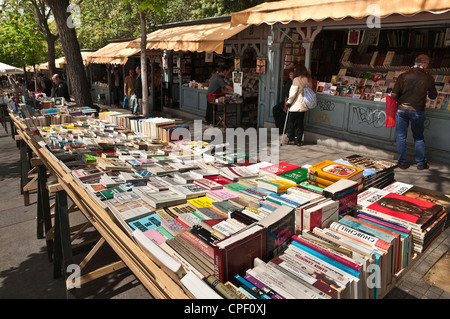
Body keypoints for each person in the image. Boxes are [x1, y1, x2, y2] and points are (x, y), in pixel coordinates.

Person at [391, 54, 437, 170]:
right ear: (425, 63)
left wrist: (402, 99)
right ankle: (421, 163)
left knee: (401, 137)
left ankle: (402, 162)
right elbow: (433, 96)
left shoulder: (403, 76)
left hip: (402, 110)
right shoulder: (428, 78)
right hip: (418, 111)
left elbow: (394, 95)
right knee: (418, 137)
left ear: (416, 62)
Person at [284, 63, 312, 146]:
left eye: (295, 70)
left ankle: (291, 139)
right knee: (300, 123)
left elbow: (293, 93)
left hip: (296, 104)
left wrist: (288, 102)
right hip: (303, 105)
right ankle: (299, 140)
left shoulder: (296, 80)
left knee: (291, 122)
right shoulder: (307, 79)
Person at [273, 68, 294, 134]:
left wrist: (285, 106)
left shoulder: (291, 82)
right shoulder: (290, 82)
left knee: (276, 110)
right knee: (278, 110)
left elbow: (287, 96)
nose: (290, 75)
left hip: (290, 102)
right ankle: (281, 128)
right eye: (290, 74)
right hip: (290, 101)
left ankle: (281, 129)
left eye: (292, 74)